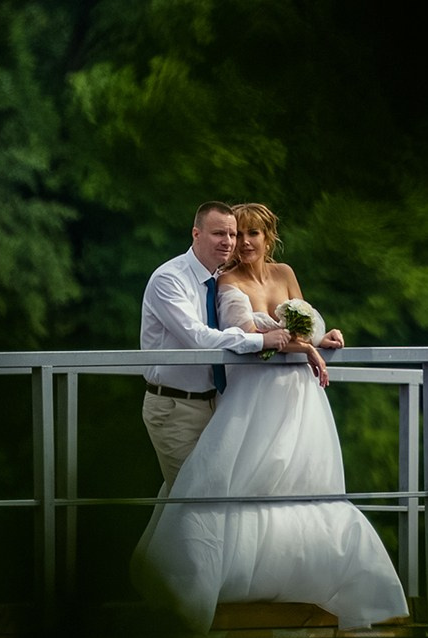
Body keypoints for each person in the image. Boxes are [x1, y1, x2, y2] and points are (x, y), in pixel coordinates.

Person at [132, 201, 409, 633]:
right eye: (229, 234)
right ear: (196, 234)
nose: (237, 243)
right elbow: (226, 335)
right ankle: (185, 604)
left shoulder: (280, 274)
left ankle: (293, 583)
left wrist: (322, 337)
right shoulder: (201, 280)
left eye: (246, 234)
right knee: (205, 495)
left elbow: (301, 327)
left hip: (278, 397)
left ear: (267, 236)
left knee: (290, 488)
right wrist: (291, 345)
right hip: (210, 400)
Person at [135, 201, 315, 485]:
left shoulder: (216, 278)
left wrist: (318, 340)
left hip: (216, 403)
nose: (230, 242)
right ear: (196, 234)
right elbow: (198, 338)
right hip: (175, 405)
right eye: (220, 234)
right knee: (193, 497)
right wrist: (260, 340)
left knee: (206, 497)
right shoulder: (169, 279)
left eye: (232, 234)